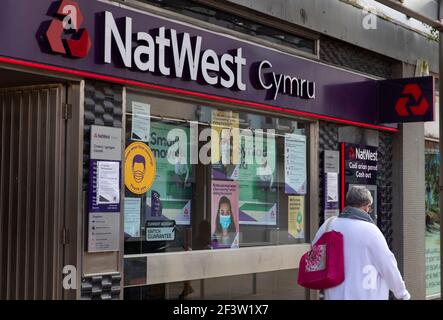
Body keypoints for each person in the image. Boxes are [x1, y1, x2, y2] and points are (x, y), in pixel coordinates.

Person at [313, 186, 410, 300]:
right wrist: (402, 294)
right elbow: (388, 266)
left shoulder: (328, 225)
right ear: (366, 206)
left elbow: (316, 255)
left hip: (333, 295)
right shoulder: (371, 231)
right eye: (369, 207)